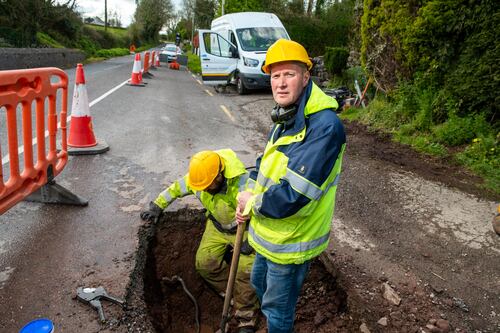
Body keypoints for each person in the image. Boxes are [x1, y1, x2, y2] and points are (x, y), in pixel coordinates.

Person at [236, 39, 346, 333]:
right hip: (268, 234)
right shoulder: (285, 116)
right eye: (275, 75)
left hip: (292, 239)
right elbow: (264, 165)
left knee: (279, 309)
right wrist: (244, 193)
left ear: (306, 77)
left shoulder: (324, 127)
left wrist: (253, 204)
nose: (281, 84)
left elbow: (293, 194)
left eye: (289, 74)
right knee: (259, 284)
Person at [141, 149, 258, 333]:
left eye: (207, 186)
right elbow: (176, 188)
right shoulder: (201, 178)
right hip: (217, 226)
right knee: (205, 263)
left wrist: (252, 239)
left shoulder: (244, 183)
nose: (202, 190)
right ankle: (234, 297)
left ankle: (246, 316)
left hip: (245, 229)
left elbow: (264, 213)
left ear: (219, 176)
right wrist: (157, 205)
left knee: (245, 271)